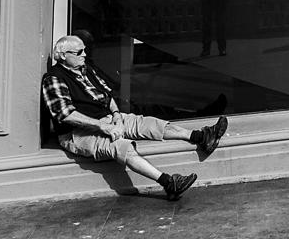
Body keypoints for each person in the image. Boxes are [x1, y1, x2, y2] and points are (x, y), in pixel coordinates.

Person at [42, 35, 229, 201]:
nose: (84, 54)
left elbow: (107, 95)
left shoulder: (85, 69)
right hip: (78, 133)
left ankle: (201, 137)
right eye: (79, 51)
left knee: (149, 123)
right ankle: (169, 183)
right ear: (63, 55)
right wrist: (104, 127)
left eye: (85, 50)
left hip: (107, 119)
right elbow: (65, 114)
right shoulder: (54, 79)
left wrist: (115, 115)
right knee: (123, 147)